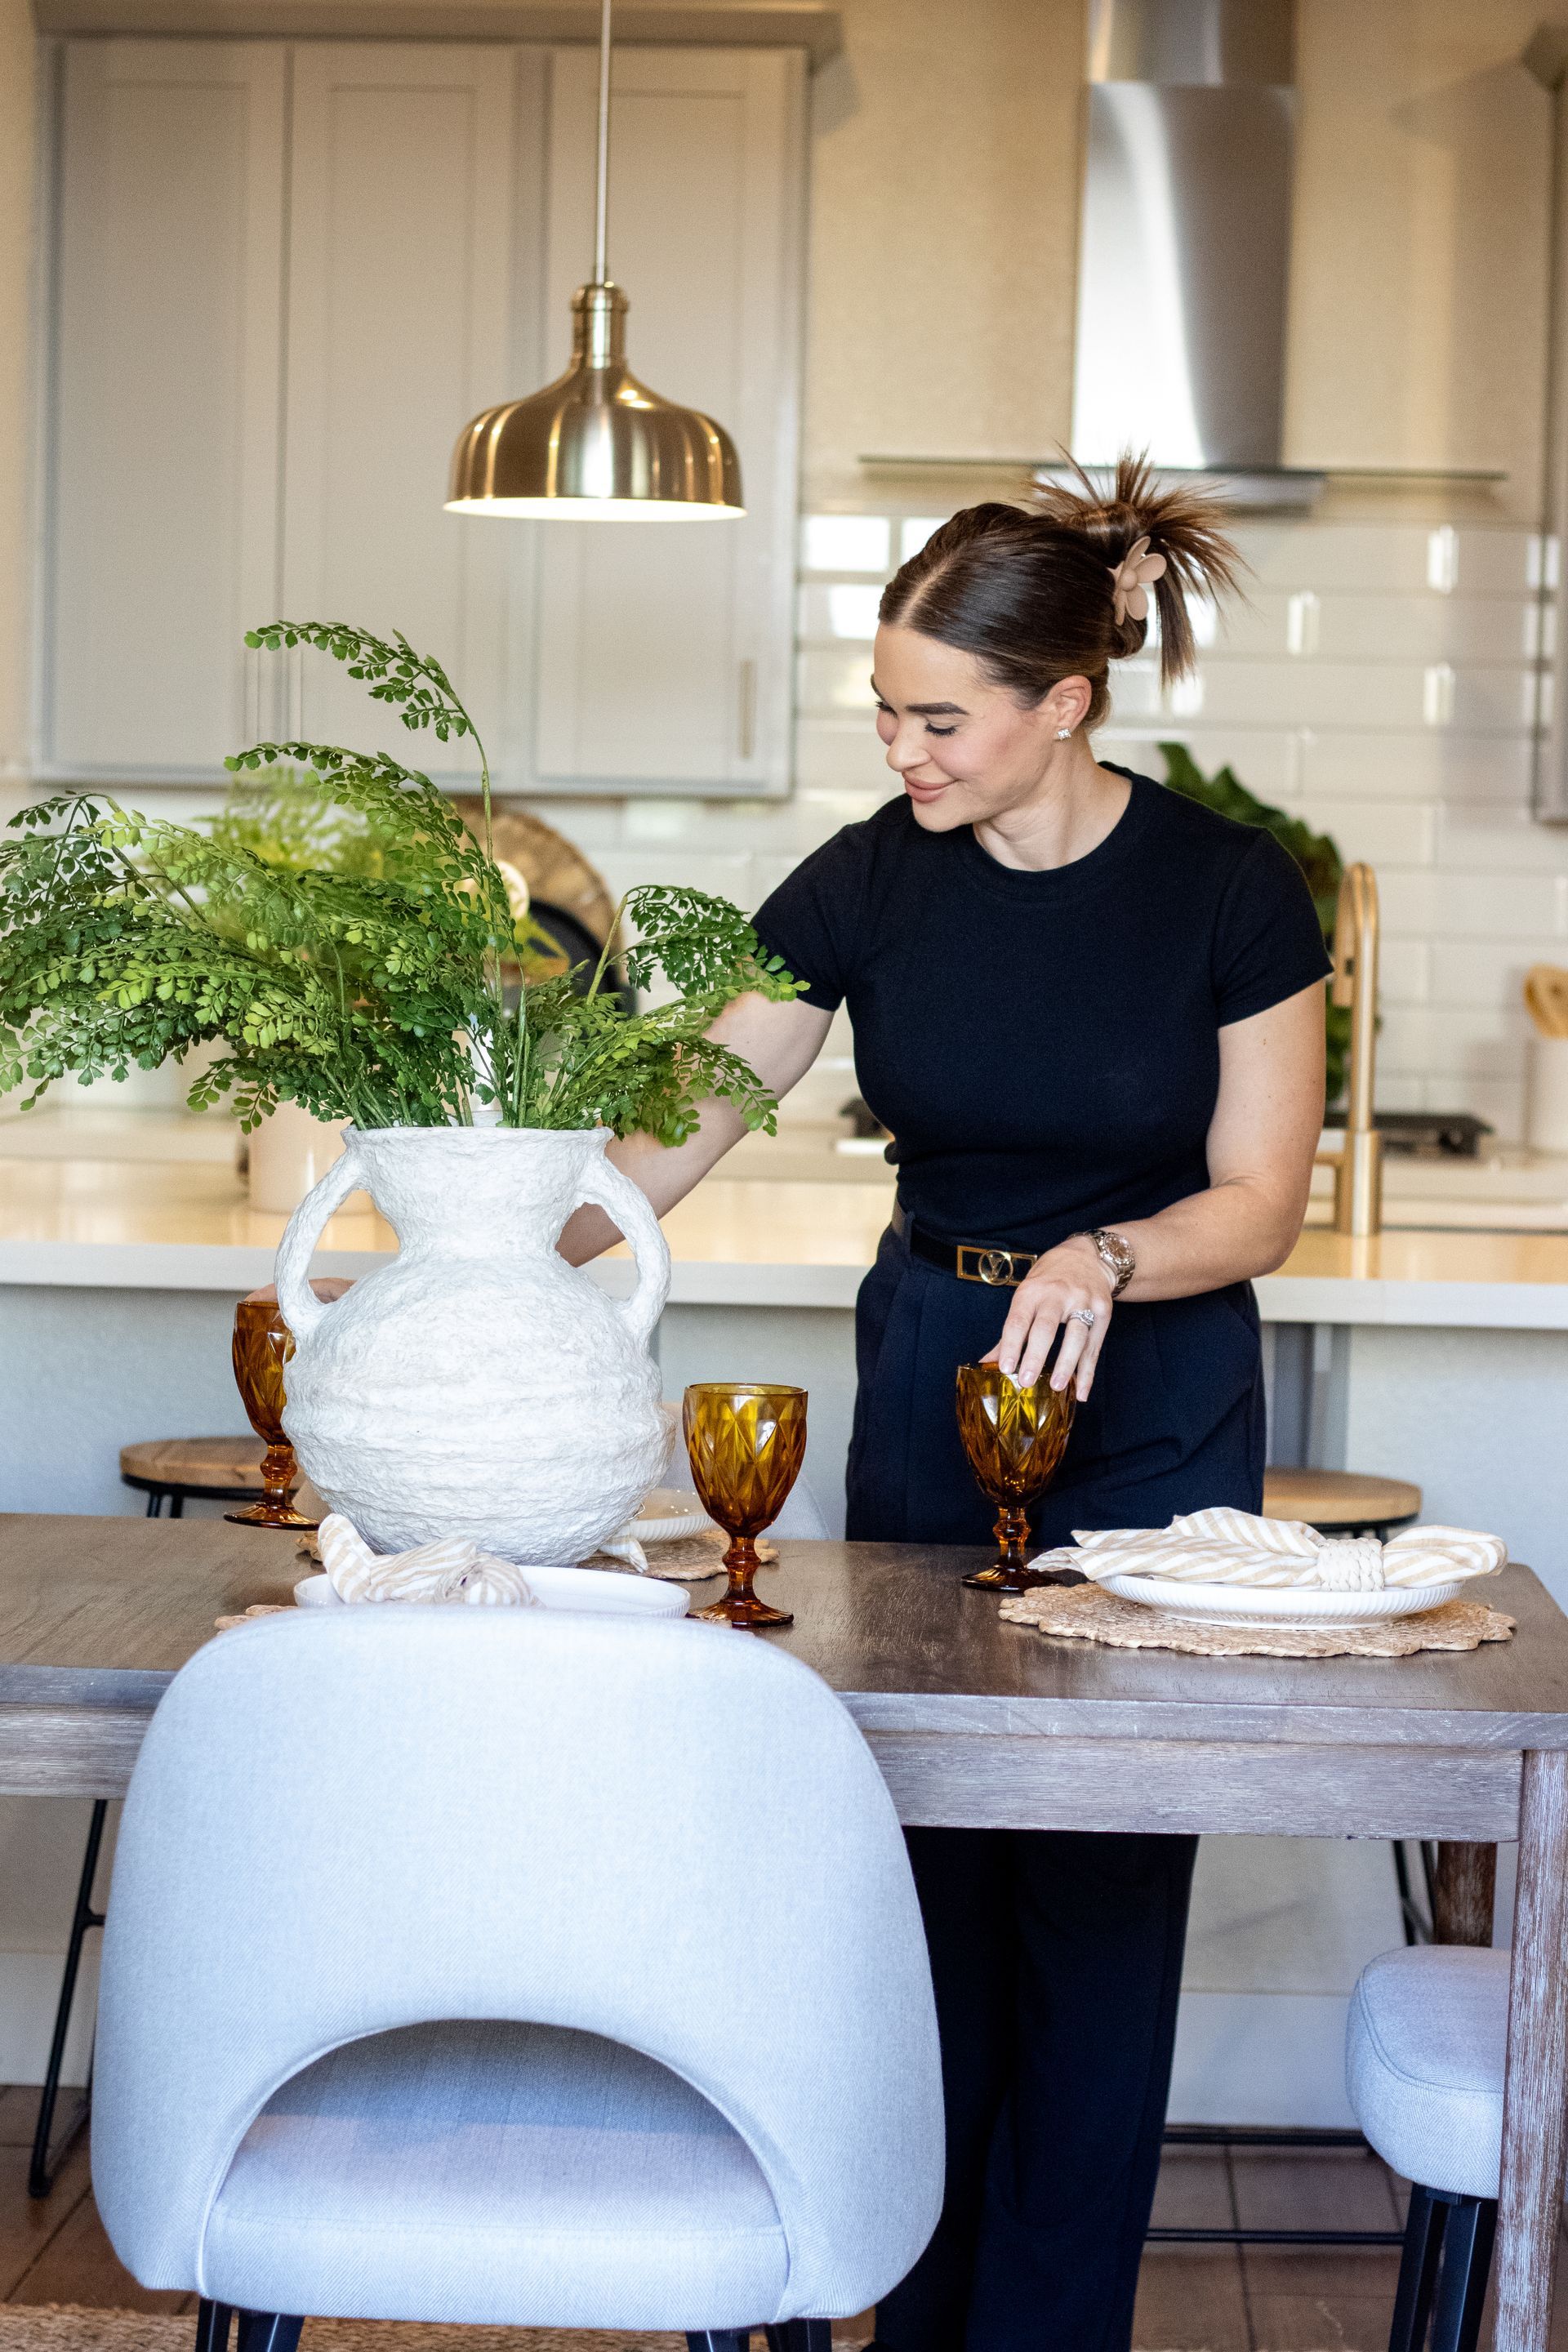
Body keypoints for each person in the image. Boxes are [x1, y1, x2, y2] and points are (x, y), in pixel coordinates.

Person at [561, 454, 1331, 2352]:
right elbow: (680, 1129)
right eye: (886, 711)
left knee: (1094, 1891)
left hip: (1144, 1405)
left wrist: (1109, 1257)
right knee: (916, 1868)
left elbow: (1262, 1196)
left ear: (1063, 704)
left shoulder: (1230, 892)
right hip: (928, 1379)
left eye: (938, 717)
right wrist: (497, 1251)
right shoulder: (869, 876)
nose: (901, 749)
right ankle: (906, 2319)